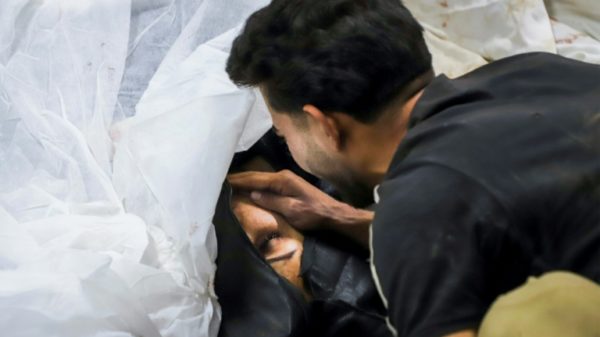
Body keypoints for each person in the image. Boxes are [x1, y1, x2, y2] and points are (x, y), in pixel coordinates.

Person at [225, 0, 600, 336]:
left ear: (325, 125)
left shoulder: (412, 218)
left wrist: (396, 231)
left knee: (530, 316)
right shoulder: (534, 69)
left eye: (283, 131)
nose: (283, 141)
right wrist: (345, 220)